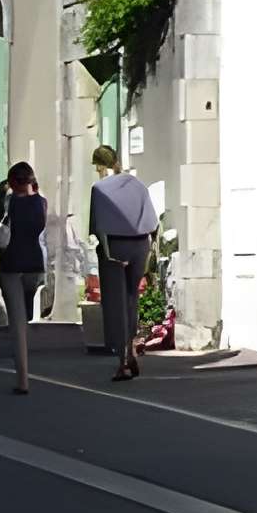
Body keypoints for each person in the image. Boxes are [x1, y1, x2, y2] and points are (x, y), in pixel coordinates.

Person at [88, 146, 157, 381]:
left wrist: (106, 251)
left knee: (116, 303)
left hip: (115, 247)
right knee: (131, 299)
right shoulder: (137, 184)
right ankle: (131, 348)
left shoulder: (99, 189)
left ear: (99, 165)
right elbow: (152, 222)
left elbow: (98, 227)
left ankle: (123, 360)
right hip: (140, 245)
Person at [0, 163, 50, 394]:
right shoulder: (42, 202)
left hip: (12, 262)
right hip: (34, 263)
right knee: (27, 313)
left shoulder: (11, 202)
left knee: (17, 324)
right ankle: (24, 373)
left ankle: (23, 380)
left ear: (12, 182)